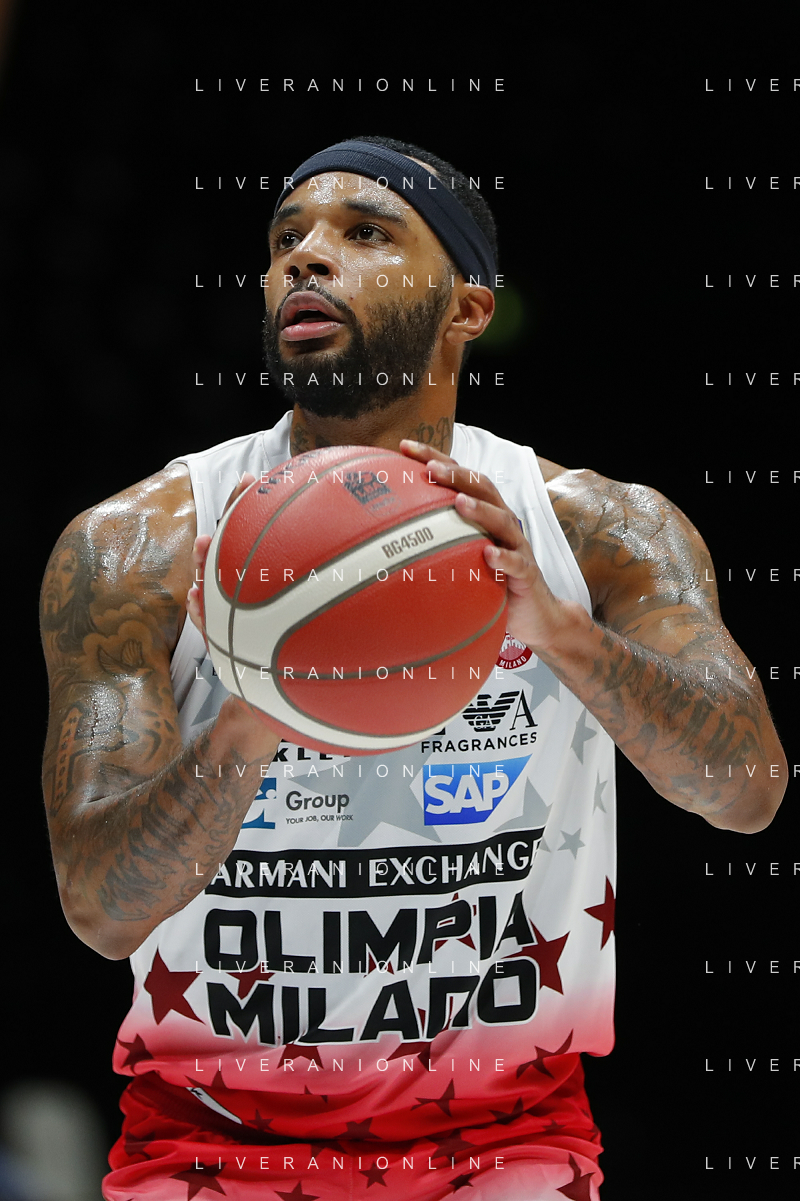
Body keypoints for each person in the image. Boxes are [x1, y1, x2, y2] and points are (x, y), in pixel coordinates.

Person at [40, 136, 786, 1201]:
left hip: (505, 1139)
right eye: (285, 240)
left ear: (468, 307)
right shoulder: (138, 547)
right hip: (213, 1141)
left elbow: (746, 793)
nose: (305, 257)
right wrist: (252, 712)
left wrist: (559, 631)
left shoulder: (597, 532)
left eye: (363, 232)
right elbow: (102, 912)